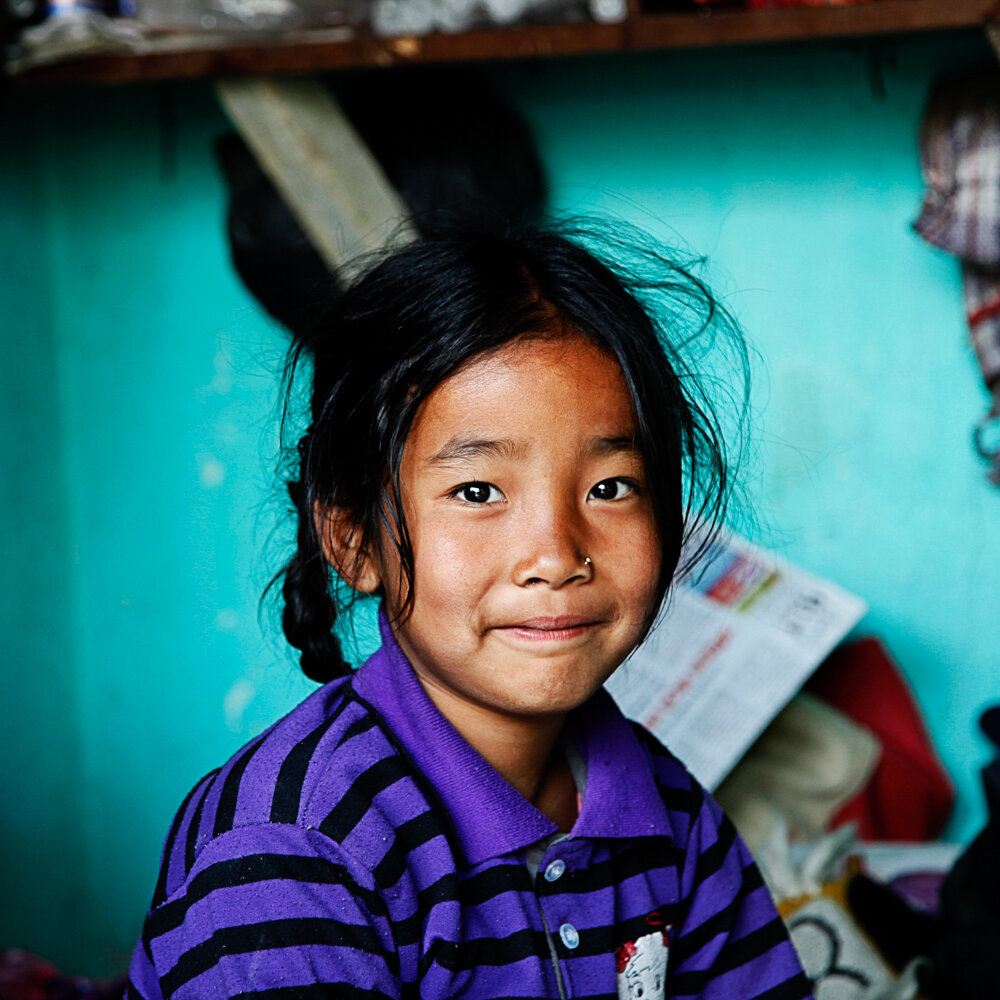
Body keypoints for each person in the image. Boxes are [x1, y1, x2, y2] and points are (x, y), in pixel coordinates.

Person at [125, 226, 814, 1000]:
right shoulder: (294, 846)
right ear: (354, 540)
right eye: (478, 492)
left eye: (611, 487)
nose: (556, 555)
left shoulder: (667, 813)